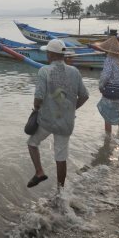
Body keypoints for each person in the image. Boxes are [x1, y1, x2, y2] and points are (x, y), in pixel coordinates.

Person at [26, 39, 89, 190]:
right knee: (61, 158)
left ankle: (39, 172)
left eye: (47, 51)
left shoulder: (44, 71)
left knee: (32, 143)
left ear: (52, 54)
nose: (46, 54)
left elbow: (39, 97)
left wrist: (35, 108)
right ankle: (60, 192)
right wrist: (71, 110)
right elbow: (84, 96)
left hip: (47, 120)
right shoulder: (74, 71)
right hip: (65, 123)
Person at [96, 37, 119, 134]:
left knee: (107, 115)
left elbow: (105, 76)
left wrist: (101, 86)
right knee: (118, 113)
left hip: (111, 92)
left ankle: (108, 138)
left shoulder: (109, 60)